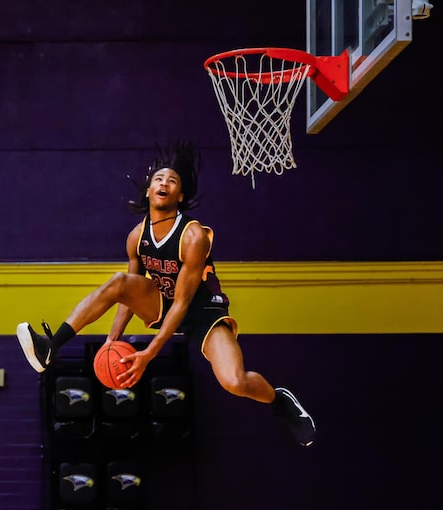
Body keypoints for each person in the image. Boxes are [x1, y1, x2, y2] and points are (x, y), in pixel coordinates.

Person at [16, 141, 316, 447]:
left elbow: (184, 303)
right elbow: (126, 294)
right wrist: (111, 341)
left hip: (201, 312)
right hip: (162, 301)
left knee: (234, 381)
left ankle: (278, 401)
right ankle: (52, 346)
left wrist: (149, 354)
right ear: (148, 190)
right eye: (159, 179)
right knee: (119, 282)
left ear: (180, 196)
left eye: (172, 181)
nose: (164, 183)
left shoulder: (193, 236)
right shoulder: (136, 237)